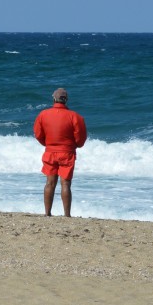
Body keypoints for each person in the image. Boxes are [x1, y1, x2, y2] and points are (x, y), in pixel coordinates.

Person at [33, 88, 87, 217]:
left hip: (50, 152)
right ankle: (67, 215)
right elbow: (80, 139)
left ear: (54, 99)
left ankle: (47, 213)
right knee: (66, 184)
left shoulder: (43, 114)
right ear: (66, 100)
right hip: (67, 153)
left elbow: (38, 134)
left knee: (49, 183)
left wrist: (48, 144)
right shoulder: (75, 116)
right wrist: (74, 145)